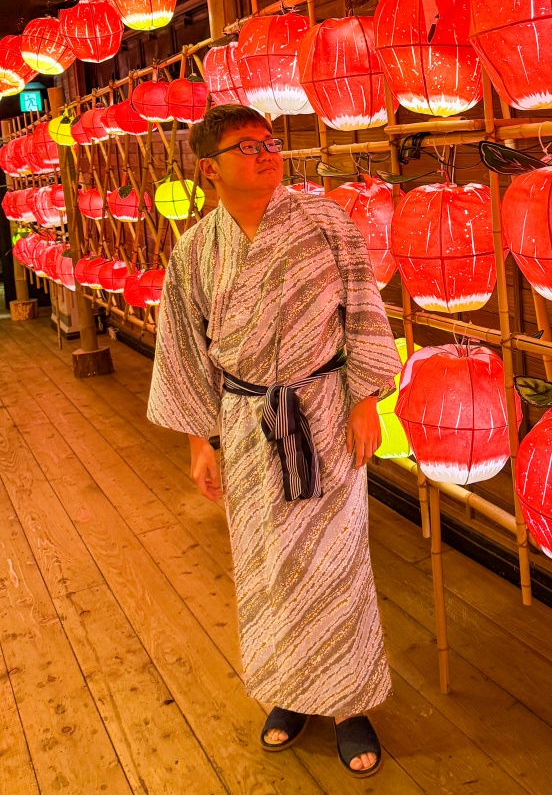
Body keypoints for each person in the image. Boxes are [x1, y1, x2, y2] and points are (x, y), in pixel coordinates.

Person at [147, 104, 401, 777]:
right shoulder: (196, 249)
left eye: (269, 142)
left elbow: (365, 310)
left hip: (321, 411)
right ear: (209, 168)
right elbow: (183, 348)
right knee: (264, 565)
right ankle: (288, 691)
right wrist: (200, 441)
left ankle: (349, 704)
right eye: (245, 146)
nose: (266, 152)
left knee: (337, 560)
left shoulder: (326, 224)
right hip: (245, 421)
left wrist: (366, 398)